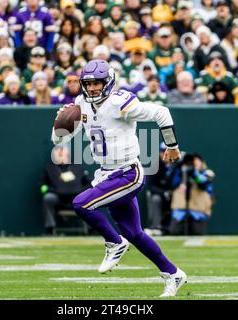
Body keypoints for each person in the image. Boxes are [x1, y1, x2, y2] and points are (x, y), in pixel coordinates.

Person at [51, 59, 187, 297]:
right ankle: (173, 273)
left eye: (98, 83)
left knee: (81, 203)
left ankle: (115, 243)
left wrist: (172, 146)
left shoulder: (120, 102)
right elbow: (59, 141)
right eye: (88, 83)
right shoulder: (81, 103)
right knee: (134, 233)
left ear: (109, 81)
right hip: (106, 174)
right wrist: (58, 125)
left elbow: (161, 112)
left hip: (128, 173)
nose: (92, 88)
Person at [40, 145, 90, 236]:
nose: (59, 155)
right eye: (57, 153)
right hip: (58, 198)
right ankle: (50, 228)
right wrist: (53, 190)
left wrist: (81, 192)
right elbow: (42, 187)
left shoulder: (77, 167)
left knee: (89, 197)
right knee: (48, 198)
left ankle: (91, 227)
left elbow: (89, 184)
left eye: (61, 153)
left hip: (77, 198)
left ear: (67, 153)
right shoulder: (49, 168)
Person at [169, 152, 215, 235]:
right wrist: (180, 170)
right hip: (180, 210)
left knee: (197, 232)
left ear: (201, 162)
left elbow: (203, 183)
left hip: (198, 211)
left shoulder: (207, 173)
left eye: (196, 161)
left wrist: (194, 173)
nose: (194, 163)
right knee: (174, 231)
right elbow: (172, 183)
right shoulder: (181, 172)